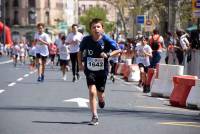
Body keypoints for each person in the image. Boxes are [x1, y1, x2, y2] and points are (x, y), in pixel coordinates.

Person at [78, 18, 121, 125]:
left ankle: (101, 100)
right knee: (92, 92)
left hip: (102, 70)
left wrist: (108, 55)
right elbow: (80, 51)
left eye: (98, 27)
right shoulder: (86, 40)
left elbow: (118, 50)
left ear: (102, 28)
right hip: (90, 69)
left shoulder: (106, 39)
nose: (96, 29)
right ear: (90, 29)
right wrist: (80, 63)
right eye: (94, 27)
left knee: (100, 93)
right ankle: (94, 116)